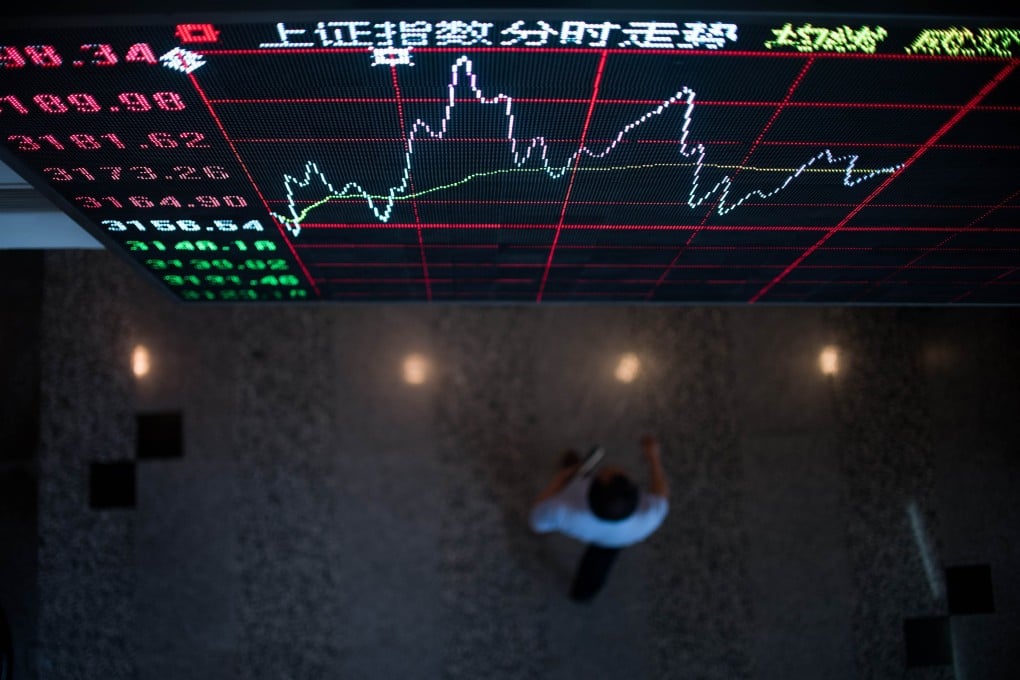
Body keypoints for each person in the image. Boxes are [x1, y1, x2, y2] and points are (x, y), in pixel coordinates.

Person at [529, 435, 669, 602]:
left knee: (575, 474)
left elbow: (536, 522)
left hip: (580, 519)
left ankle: (574, 469)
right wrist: (654, 458)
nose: (609, 468)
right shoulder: (650, 515)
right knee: (597, 567)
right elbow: (660, 493)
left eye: (602, 475)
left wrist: (560, 479)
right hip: (616, 540)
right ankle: (583, 594)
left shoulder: (562, 509)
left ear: (590, 492)